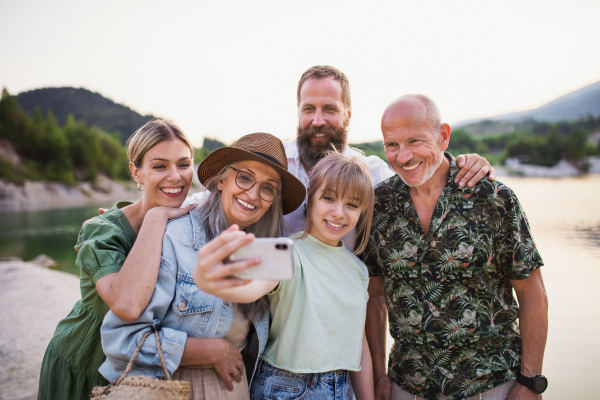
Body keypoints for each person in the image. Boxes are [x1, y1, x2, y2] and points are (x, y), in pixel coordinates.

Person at [362, 94, 548, 400]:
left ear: (443, 136)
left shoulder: (493, 199)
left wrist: (530, 381)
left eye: (414, 141)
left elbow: (533, 293)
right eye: (392, 145)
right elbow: (374, 294)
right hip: (407, 384)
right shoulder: (378, 206)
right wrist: (379, 373)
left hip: (491, 384)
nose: (403, 156)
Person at [187, 66, 497, 248]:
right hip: (267, 309)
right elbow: (216, 197)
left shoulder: (371, 174)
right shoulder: (273, 164)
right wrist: (157, 212)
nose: (318, 120)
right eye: (309, 109)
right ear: (298, 113)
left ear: (347, 116)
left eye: (330, 109)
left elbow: (420, 174)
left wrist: (464, 161)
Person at [99, 132, 306, 400]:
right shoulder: (176, 237)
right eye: (244, 177)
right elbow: (121, 341)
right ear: (221, 180)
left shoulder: (266, 251)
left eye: (268, 188)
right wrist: (204, 351)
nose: (253, 194)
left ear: (272, 201)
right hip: (172, 390)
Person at [194, 153, 378, 400]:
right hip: (286, 388)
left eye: (352, 205)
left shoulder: (358, 269)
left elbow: (359, 346)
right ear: (311, 194)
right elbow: (249, 289)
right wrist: (210, 282)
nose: (338, 212)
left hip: (341, 388)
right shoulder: (285, 251)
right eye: (329, 198)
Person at [37, 119, 197, 400]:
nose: (176, 176)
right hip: (84, 364)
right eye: (160, 166)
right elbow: (128, 305)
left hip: (147, 370)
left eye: (183, 164)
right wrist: (155, 219)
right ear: (136, 172)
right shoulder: (103, 230)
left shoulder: (189, 220)